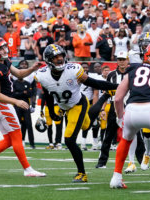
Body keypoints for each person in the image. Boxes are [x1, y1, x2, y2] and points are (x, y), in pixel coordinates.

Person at [35, 44, 118, 182]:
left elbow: (94, 83)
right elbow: (48, 95)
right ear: (49, 60)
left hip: (78, 104)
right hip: (64, 106)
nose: (60, 59)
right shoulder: (42, 75)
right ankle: (96, 114)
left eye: (61, 55)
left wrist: (118, 86)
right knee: (86, 126)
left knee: (69, 139)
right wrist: (51, 111)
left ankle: (82, 174)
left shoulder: (73, 70)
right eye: (55, 57)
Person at [0, 36, 46, 177]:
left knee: (9, 140)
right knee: (17, 136)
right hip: (2, 105)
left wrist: (33, 68)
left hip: (1, 105)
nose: (5, 49)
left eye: (4, 46)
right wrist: (15, 102)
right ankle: (28, 169)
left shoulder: (4, 61)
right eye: (1, 48)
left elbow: (20, 73)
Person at [110, 43, 150, 189]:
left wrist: (120, 117)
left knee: (125, 140)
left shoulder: (133, 69)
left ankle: (116, 177)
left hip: (132, 110)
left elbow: (117, 98)